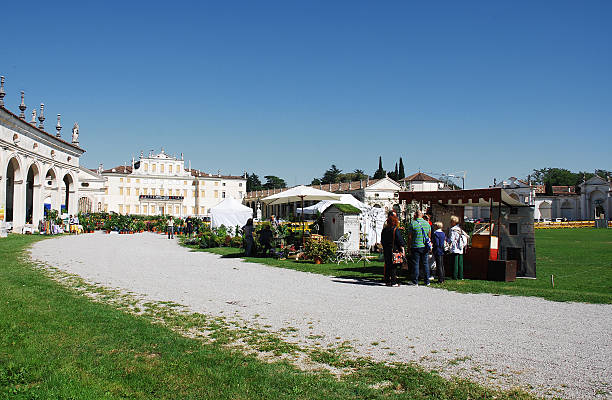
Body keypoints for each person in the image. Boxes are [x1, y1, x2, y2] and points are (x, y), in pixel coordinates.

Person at [381, 213, 405, 287]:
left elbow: (382, 240)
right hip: (394, 249)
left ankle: (387, 281)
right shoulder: (395, 230)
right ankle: (393, 282)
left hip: (386, 249)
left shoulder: (384, 230)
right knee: (393, 266)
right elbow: (400, 241)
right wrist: (402, 250)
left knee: (388, 265)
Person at [408, 210, 431, 286]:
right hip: (424, 246)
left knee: (416, 264)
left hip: (416, 246)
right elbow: (429, 236)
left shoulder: (413, 224)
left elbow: (410, 237)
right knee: (425, 263)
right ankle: (427, 280)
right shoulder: (427, 224)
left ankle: (415, 281)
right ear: (422, 215)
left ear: (415, 215)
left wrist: (409, 247)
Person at [447, 215, 466, 279]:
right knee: (460, 263)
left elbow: (451, 239)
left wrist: (447, 240)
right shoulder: (460, 229)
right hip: (460, 247)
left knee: (455, 263)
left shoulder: (453, 229)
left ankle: (455, 276)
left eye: (451, 221)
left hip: (455, 247)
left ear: (453, 222)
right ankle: (460, 276)